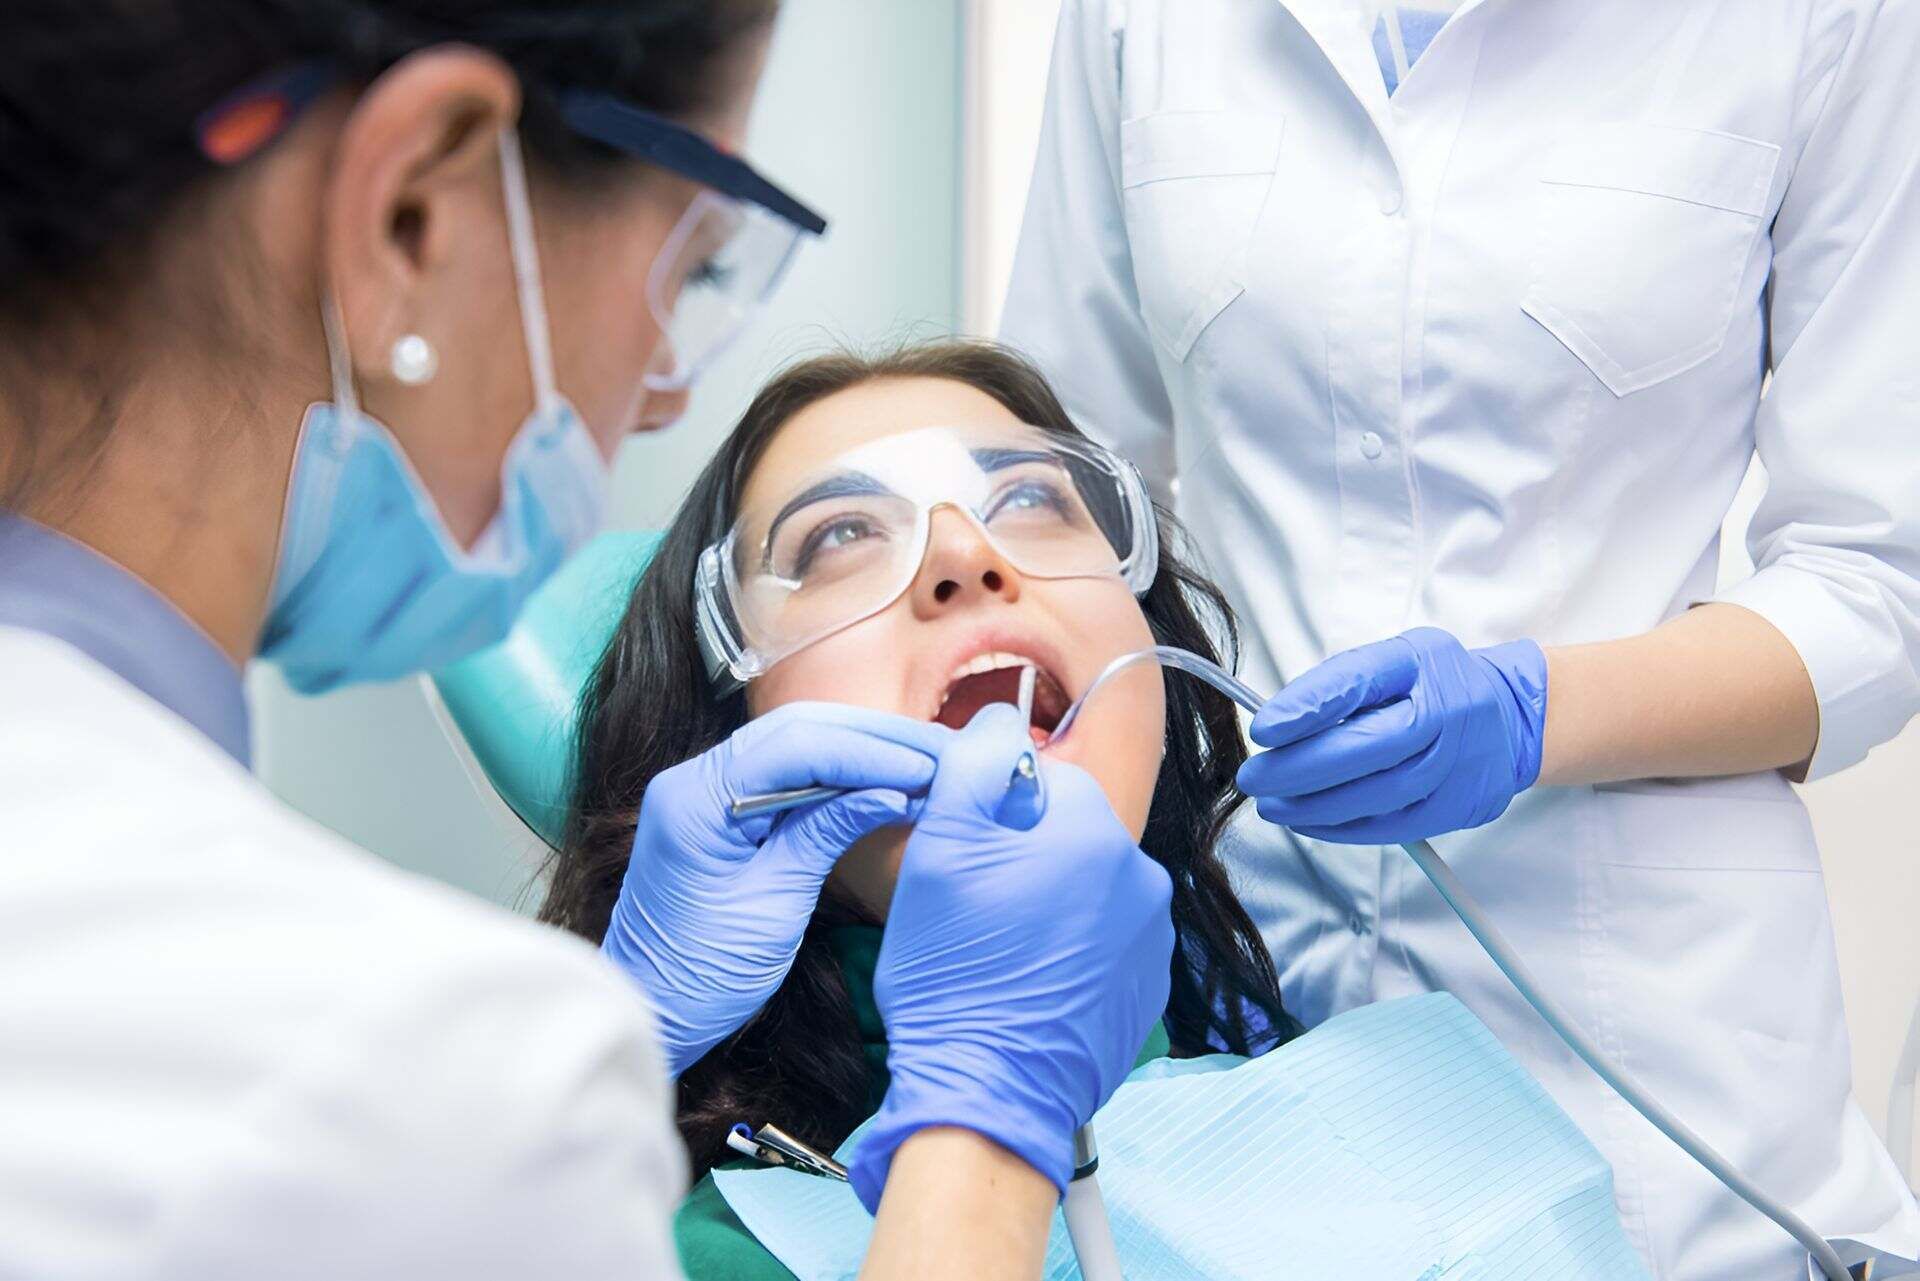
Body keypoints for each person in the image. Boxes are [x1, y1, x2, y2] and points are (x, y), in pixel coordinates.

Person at [0, 5, 1172, 1278]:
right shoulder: (409, 1082)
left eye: (1034, 498)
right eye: (696, 260)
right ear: (416, 208)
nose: (667, 384)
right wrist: (988, 1128)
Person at [1000, 2, 1920, 1277]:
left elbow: (1876, 579)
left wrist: (1535, 712)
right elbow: (1060, 481)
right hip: (1246, 979)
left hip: (1643, 1041)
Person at [538, 339, 1651, 1278]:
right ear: (728, 732)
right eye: (840, 538)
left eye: (1029, 500)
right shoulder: (635, 1238)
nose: (967, 559)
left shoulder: (1430, 1135)